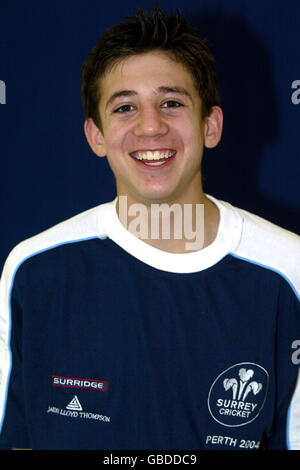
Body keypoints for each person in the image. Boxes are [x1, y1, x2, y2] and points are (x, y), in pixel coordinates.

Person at [0, 6, 299, 450]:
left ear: (210, 125)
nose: (151, 126)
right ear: (95, 135)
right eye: (125, 107)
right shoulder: (33, 270)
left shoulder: (287, 270)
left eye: (171, 103)